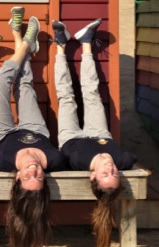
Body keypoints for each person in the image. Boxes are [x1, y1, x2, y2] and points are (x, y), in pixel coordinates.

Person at [52, 18, 137, 247]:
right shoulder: (122, 160)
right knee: (91, 92)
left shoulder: (78, 161)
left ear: (92, 176)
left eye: (105, 175)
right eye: (115, 175)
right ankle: (86, 42)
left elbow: (59, 159)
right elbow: (135, 163)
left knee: (66, 96)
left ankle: (60, 46)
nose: (111, 169)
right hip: (100, 134)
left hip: (70, 136)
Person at [0, 7, 67, 247]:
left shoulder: (1, 163)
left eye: (30, 176)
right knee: (25, 85)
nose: (36, 172)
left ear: (17, 178)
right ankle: (20, 40)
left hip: (2, 135)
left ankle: (22, 43)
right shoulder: (55, 161)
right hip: (35, 131)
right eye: (40, 178)